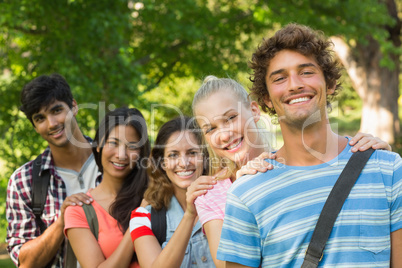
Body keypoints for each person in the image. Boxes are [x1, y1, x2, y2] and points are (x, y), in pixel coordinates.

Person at [215, 23, 402, 267]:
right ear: (266, 100)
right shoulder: (247, 193)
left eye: (306, 72)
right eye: (280, 78)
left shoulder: (387, 170)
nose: (294, 85)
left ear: (330, 83)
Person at [190, 76, 392, 268]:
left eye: (231, 118)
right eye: (210, 129)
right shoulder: (211, 194)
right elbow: (226, 265)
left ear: (254, 110)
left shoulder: (299, 163)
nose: (224, 135)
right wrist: (244, 193)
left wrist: (369, 160)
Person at [6, 74, 99, 267]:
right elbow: (26, 263)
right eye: (40, 118)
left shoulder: (114, 163)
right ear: (35, 126)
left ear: (74, 106)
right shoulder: (23, 181)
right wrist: (62, 221)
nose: (52, 123)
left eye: (57, 110)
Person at [64, 107, 150, 268]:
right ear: (98, 145)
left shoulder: (155, 195)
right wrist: (139, 217)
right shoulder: (80, 210)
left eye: (132, 146)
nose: (121, 154)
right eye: (113, 143)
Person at [129, 116, 215, 267]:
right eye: (173, 155)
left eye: (192, 153)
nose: (184, 163)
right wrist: (189, 215)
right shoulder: (143, 218)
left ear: (205, 157)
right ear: (162, 163)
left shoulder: (226, 202)